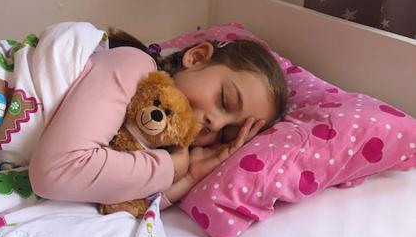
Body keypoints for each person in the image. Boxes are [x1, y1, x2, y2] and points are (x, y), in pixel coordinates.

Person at [28, 27, 288, 210]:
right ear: (196, 58)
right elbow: (55, 172)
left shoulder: (151, 140)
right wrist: (171, 168)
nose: (216, 124)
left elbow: (118, 203)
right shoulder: (136, 67)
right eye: (225, 100)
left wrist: (190, 176)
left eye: (226, 133)